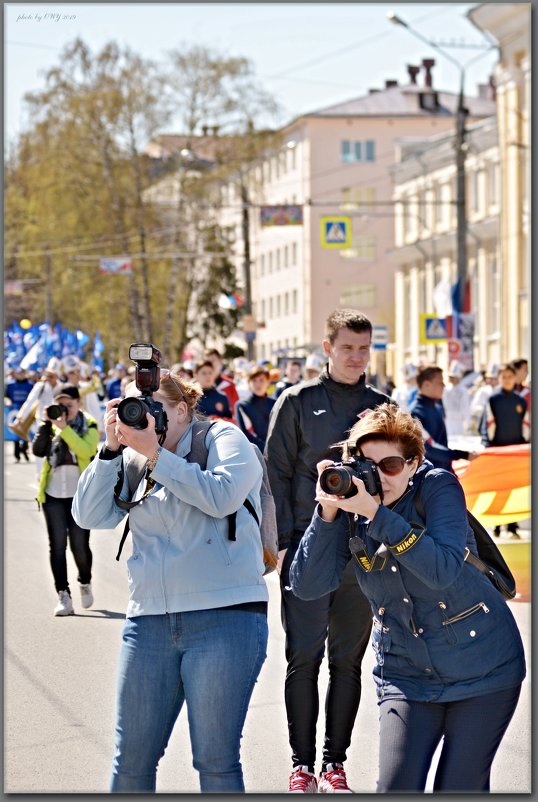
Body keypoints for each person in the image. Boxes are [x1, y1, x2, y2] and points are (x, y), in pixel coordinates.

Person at [289, 403, 526, 793]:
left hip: (483, 669)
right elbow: (307, 586)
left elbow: (442, 571)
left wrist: (376, 514)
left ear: (414, 464)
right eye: (366, 463)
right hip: (406, 674)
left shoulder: (439, 487)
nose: (378, 477)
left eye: (391, 466)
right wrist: (327, 513)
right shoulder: (352, 504)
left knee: (458, 787)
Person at [72, 367, 268, 793]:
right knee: (131, 761)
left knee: (215, 761)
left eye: (151, 408)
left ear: (181, 410)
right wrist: (110, 449)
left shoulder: (223, 439)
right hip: (149, 623)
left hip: (226, 618)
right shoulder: (130, 456)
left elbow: (221, 497)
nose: (140, 417)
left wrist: (158, 457)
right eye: (131, 408)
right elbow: (88, 515)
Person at [264, 309, 391, 793]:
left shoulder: (381, 407)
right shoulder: (296, 402)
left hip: (362, 557)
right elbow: (273, 478)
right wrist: (277, 548)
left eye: (364, 347)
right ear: (328, 347)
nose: (357, 356)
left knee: (347, 663)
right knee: (303, 661)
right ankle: (302, 767)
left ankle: (334, 764)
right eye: (348, 347)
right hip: (305, 552)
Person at [32, 383, 99, 616]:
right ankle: (64, 595)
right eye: (60, 405)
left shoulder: (89, 425)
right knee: (57, 546)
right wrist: (45, 426)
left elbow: (85, 450)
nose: (64, 409)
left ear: (78, 404)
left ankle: (85, 580)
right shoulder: (51, 426)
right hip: (52, 495)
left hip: (79, 496)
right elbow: (38, 451)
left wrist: (64, 429)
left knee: (79, 546)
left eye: (68, 405)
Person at [481, 362, 530, 539]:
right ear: (500, 378)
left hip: (515, 452)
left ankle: (513, 525)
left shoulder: (520, 401)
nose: (508, 380)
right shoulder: (493, 400)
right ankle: (497, 525)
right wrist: (488, 447)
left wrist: (525, 446)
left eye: (511, 377)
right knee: (498, 489)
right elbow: (487, 426)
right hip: (498, 451)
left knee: (513, 488)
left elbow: (526, 427)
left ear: (515, 378)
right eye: (504, 377)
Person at [409, 365, 477, 474]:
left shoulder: (438, 407)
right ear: (426, 384)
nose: (444, 385)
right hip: (429, 477)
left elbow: (442, 442)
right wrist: (463, 455)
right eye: (440, 382)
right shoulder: (415, 413)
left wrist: (450, 471)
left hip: (444, 471)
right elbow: (429, 448)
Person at [14, 358, 62, 477]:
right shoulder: (40, 386)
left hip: (58, 424)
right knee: (40, 449)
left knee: (55, 450)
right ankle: (40, 477)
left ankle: (51, 476)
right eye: (48, 375)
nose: (50, 377)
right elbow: (30, 401)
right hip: (41, 423)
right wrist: (20, 417)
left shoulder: (61, 387)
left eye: (52, 375)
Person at [235, 364, 276, 452]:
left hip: (275, 453)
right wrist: (264, 448)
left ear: (268, 381)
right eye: (254, 380)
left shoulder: (275, 403)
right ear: (249, 383)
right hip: (253, 453)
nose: (258, 384)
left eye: (261, 380)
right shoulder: (242, 405)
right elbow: (245, 434)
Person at [5, 366, 34, 462]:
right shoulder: (10, 385)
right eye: (18, 372)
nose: (20, 374)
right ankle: (16, 454)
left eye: (22, 372)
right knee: (15, 432)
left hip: (26, 412)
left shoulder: (30, 385)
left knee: (25, 431)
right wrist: (8, 401)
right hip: (14, 411)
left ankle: (24, 450)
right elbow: (6, 396)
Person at [204, 348, 240, 420]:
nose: (210, 365)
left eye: (213, 361)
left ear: (221, 362)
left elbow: (235, 414)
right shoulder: (196, 386)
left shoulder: (229, 385)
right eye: (207, 362)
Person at [443, 360, 471, 438]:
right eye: (450, 377)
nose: (451, 378)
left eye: (453, 377)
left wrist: (467, 424)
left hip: (459, 421)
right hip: (447, 419)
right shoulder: (446, 389)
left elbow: (466, 408)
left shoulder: (463, 391)